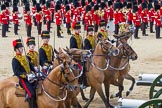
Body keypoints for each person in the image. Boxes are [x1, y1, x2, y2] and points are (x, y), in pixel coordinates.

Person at [12, 39, 37, 108]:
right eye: (20, 48)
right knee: (31, 94)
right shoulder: (15, 60)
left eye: (22, 47)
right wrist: (26, 75)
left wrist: (35, 69)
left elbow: (30, 65)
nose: (22, 49)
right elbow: (16, 72)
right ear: (16, 49)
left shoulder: (25, 57)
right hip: (23, 79)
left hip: (31, 77)